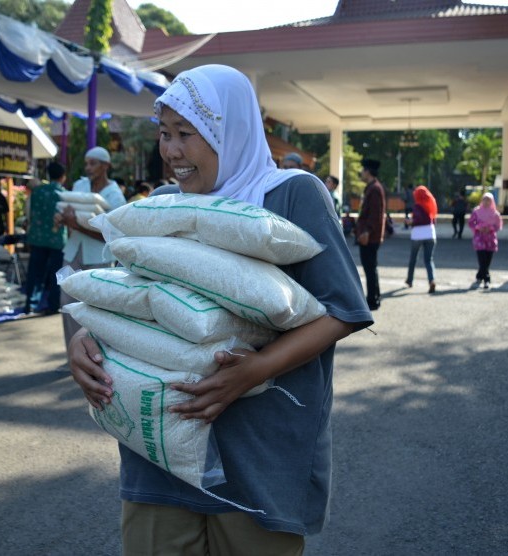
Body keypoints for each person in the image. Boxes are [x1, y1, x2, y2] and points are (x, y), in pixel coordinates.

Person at [67, 64, 372, 555]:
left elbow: (342, 309)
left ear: (227, 130)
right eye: (165, 134)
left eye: (186, 133)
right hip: (158, 447)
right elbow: (126, 295)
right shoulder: (161, 205)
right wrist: (85, 341)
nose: (171, 151)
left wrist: (254, 370)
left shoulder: (291, 196)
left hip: (257, 453)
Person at [58, 146, 127, 349]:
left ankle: (97, 351)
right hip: (73, 251)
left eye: (93, 163)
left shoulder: (115, 196)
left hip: (98, 257)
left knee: (95, 307)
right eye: (86, 163)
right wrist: (62, 218)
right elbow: (68, 211)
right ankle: (74, 350)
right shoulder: (80, 186)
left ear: (105, 166)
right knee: (67, 302)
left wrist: (76, 225)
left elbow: (113, 237)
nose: (88, 167)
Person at [24, 161, 67, 315]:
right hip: (57, 240)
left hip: (37, 238)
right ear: (63, 177)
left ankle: (30, 304)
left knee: (35, 273)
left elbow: (28, 214)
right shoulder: (64, 194)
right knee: (56, 275)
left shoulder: (37, 191)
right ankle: (53, 305)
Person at [355, 158, 386, 311]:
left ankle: (372, 300)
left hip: (369, 236)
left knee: (370, 268)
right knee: (371, 268)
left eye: (363, 170)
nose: (361, 172)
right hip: (369, 235)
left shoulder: (374, 188)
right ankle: (375, 298)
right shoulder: (372, 187)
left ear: (368, 171)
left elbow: (376, 214)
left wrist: (366, 231)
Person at [404, 185, 438, 293]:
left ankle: (409, 280)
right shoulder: (431, 205)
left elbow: (417, 220)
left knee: (413, 258)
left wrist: (409, 222)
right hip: (430, 234)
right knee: (429, 260)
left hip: (418, 235)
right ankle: (431, 280)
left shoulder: (417, 206)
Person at [467, 192, 502, 289]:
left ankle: (479, 275)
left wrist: (490, 228)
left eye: (488, 200)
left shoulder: (495, 214)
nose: (486, 202)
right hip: (479, 238)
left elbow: (498, 226)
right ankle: (487, 279)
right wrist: (478, 227)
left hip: (490, 239)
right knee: (482, 258)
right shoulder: (477, 211)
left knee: (487, 260)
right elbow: (471, 223)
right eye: (485, 200)